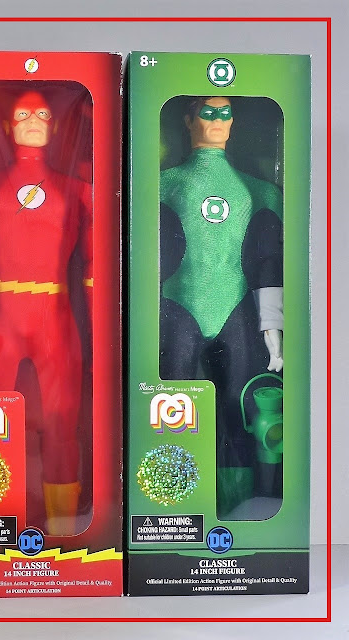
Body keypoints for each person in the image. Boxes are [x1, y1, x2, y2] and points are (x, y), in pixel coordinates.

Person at [0, 90, 93, 535]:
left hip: (56, 316)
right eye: (23, 113)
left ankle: (66, 526)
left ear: (54, 126)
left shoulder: (78, 189)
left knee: (62, 423)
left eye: (43, 113)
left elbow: (97, 265)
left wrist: (104, 331)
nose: (34, 120)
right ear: (8, 125)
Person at [159, 96, 284, 514]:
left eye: (224, 112)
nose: (216, 119)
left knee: (239, 411)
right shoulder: (162, 184)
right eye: (207, 112)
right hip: (177, 308)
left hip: (237, 313)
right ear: (188, 119)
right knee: (172, 408)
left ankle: (239, 507)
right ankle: (173, 506)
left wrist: (272, 325)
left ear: (234, 122)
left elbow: (268, 263)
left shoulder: (260, 192)